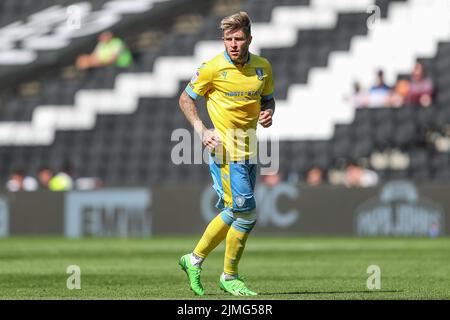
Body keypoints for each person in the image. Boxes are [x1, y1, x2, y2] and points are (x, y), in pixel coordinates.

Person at [177, 12, 275, 296]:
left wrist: (268, 113)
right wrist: (201, 129)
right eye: (229, 39)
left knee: (235, 211)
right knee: (247, 214)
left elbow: (267, 98)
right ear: (223, 40)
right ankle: (229, 276)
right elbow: (185, 98)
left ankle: (193, 260)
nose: (233, 44)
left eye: (239, 38)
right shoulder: (212, 68)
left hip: (250, 149)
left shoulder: (262, 67)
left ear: (249, 39)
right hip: (224, 151)